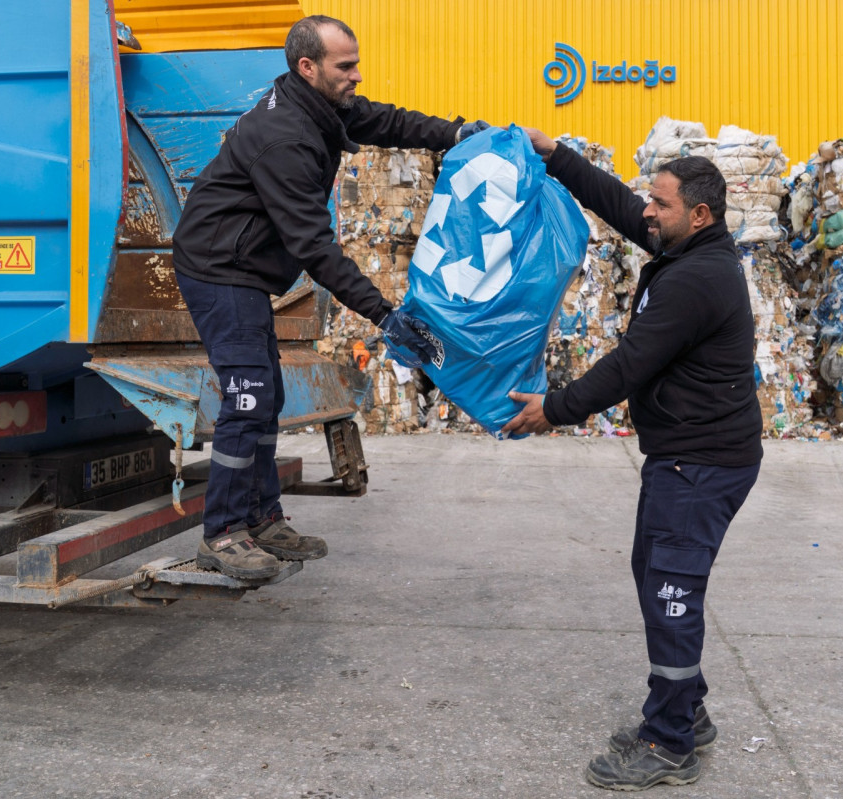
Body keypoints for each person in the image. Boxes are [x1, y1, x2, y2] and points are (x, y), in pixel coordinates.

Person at [171, 15, 488, 580]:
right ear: (308, 67)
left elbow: (387, 121)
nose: (357, 75)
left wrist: (457, 133)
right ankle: (222, 534)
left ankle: (263, 519)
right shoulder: (284, 138)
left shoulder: (319, 106)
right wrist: (385, 314)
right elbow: (315, 248)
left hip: (242, 266)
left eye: (356, 63)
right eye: (346, 66)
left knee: (264, 396)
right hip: (220, 269)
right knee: (247, 397)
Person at [503, 130, 763, 791]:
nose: (649, 211)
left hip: (701, 463)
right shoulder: (685, 246)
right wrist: (555, 154)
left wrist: (551, 408)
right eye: (653, 200)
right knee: (655, 575)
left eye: (662, 203)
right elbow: (620, 204)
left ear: (698, 214)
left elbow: (628, 364)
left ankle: (670, 741)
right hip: (683, 456)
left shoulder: (697, 279)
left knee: (673, 594)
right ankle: (688, 713)